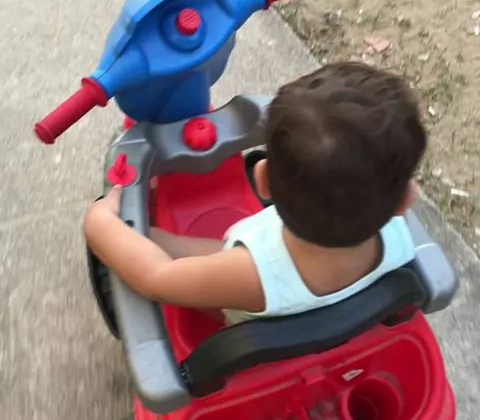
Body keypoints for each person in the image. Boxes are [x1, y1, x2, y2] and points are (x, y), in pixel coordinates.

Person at [84, 62, 426, 325]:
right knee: (163, 240)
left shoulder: (250, 274)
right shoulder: (398, 235)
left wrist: (99, 223)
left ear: (262, 180)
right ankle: (152, 236)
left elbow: (156, 278)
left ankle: (136, 234)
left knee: (144, 241)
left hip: (253, 308)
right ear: (404, 201)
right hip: (319, 308)